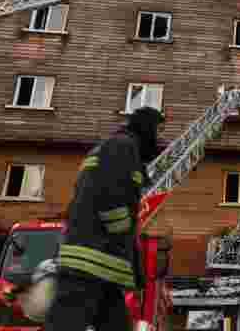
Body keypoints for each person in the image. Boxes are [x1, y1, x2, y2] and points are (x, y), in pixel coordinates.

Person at [45, 106, 165, 331]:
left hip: (101, 265)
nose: (158, 140)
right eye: (156, 132)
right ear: (146, 129)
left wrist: (134, 266)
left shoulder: (113, 148)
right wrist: (120, 234)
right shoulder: (122, 147)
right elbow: (110, 196)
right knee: (64, 325)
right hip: (90, 262)